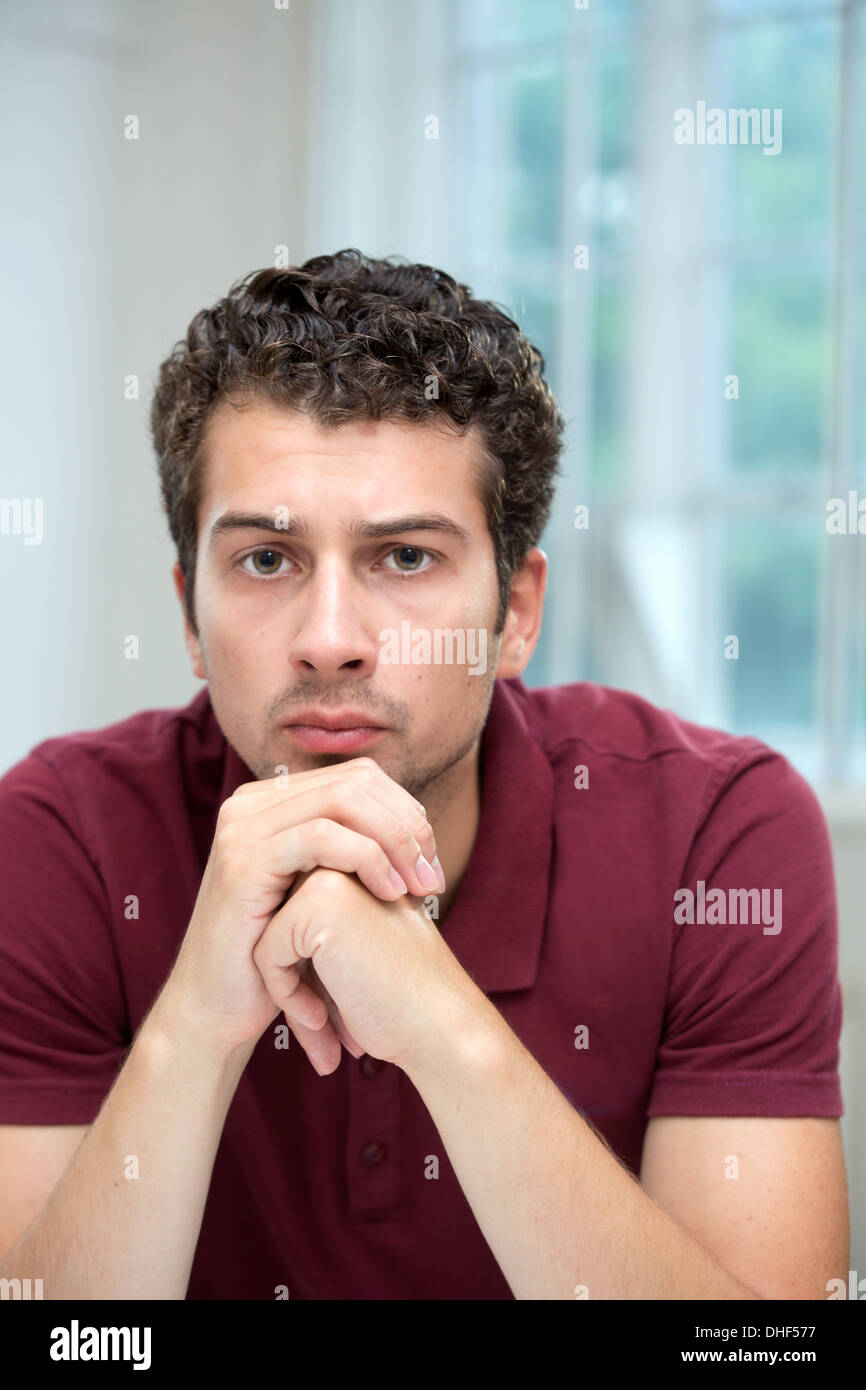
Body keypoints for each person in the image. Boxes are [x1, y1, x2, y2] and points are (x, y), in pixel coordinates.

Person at [0, 251, 848, 1299]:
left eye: (404, 558)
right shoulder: (61, 838)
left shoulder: (717, 829)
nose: (329, 640)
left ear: (516, 613)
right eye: (266, 559)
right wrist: (195, 1020)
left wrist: (444, 1030)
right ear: (188, 615)